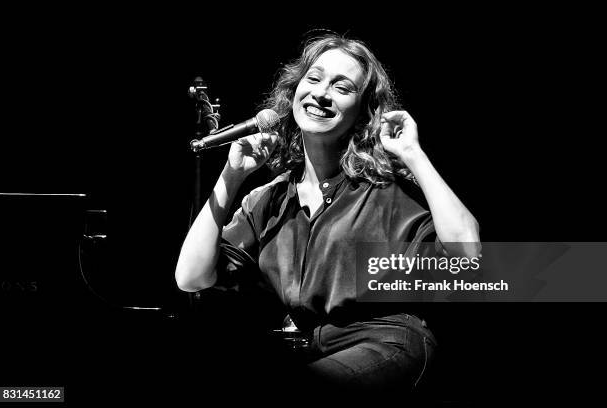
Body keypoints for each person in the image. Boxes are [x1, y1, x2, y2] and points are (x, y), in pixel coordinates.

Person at [175, 33, 481, 393]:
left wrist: (413, 153)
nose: (321, 94)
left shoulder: (388, 188)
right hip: (312, 351)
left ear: (363, 112)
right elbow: (191, 277)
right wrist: (232, 176)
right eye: (314, 79)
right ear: (294, 93)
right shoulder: (269, 200)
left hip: (388, 344)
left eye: (341, 87)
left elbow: (468, 254)